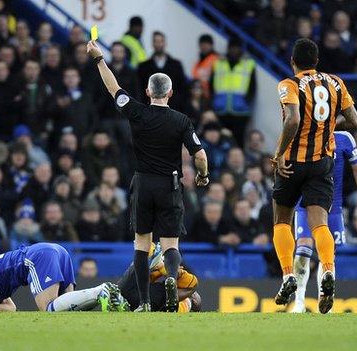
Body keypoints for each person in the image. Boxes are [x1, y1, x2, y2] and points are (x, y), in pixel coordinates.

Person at [88, 39, 209, 312]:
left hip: (142, 184)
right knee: (170, 245)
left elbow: (112, 88)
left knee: (142, 245)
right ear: (170, 92)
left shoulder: (137, 112)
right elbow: (199, 155)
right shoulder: (181, 121)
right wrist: (203, 176)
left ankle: (143, 302)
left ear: (147, 91)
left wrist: (98, 58)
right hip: (169, 184)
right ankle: (170, 277)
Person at [271, 38, 357, 314]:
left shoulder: (289, 85)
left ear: (292, 62)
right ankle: (328, 271)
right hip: (323, 163)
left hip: (294, 163)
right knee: (320, 223)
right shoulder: (335, 83)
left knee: (281, 220)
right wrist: (325, 127)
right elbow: (354, 121)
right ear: (317, 61)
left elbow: (294, 119)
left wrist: (280, 153)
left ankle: (288, 276)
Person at [290, 130, 357, 313]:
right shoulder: (304, 133)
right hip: (305, 202)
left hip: (333, 206)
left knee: (327, 255)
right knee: (303, 249)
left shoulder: (344, 138)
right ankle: (299, 302)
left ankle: (324, 302)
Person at [0, 242, 127, 312]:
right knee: (69, 311)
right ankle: (109, 296)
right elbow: (11, 309)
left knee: (47, 309)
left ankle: (101, 291)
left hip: (34, 258)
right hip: (55, 251)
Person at [117, 242, 201, 312]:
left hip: (130, 293)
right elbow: (192, 286)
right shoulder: (175, 295)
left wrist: (162, 269)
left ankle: (153, 257)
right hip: (141, 300)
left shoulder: (183, 302)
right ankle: (155, 259)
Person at [210, 39, 256, 146]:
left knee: (238, 140)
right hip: (221, 108)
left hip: (240, 110)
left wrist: (247, 101)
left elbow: (252, 87)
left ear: (241, 49)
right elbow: (211, 84)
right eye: (232, 47)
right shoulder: (218, 63)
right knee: (221, 140)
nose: (234, 50)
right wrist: (214, 101)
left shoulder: (248, 63)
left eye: (236, 48)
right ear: (228, 48)